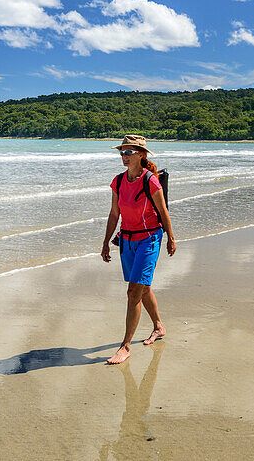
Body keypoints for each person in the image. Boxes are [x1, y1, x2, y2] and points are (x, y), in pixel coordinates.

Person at [100, 135, 177, 364]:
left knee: (133, 291)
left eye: (128, 152)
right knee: (142, 289)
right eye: (122, 152)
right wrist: (105, 242)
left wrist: (171, 238)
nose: (124, 156)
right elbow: (115, 214)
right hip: (127, 241)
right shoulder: (118, 181)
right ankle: (159, 326)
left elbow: (163, 212)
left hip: (149, 239)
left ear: (141, 155)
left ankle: (125, 346)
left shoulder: (150, 181)